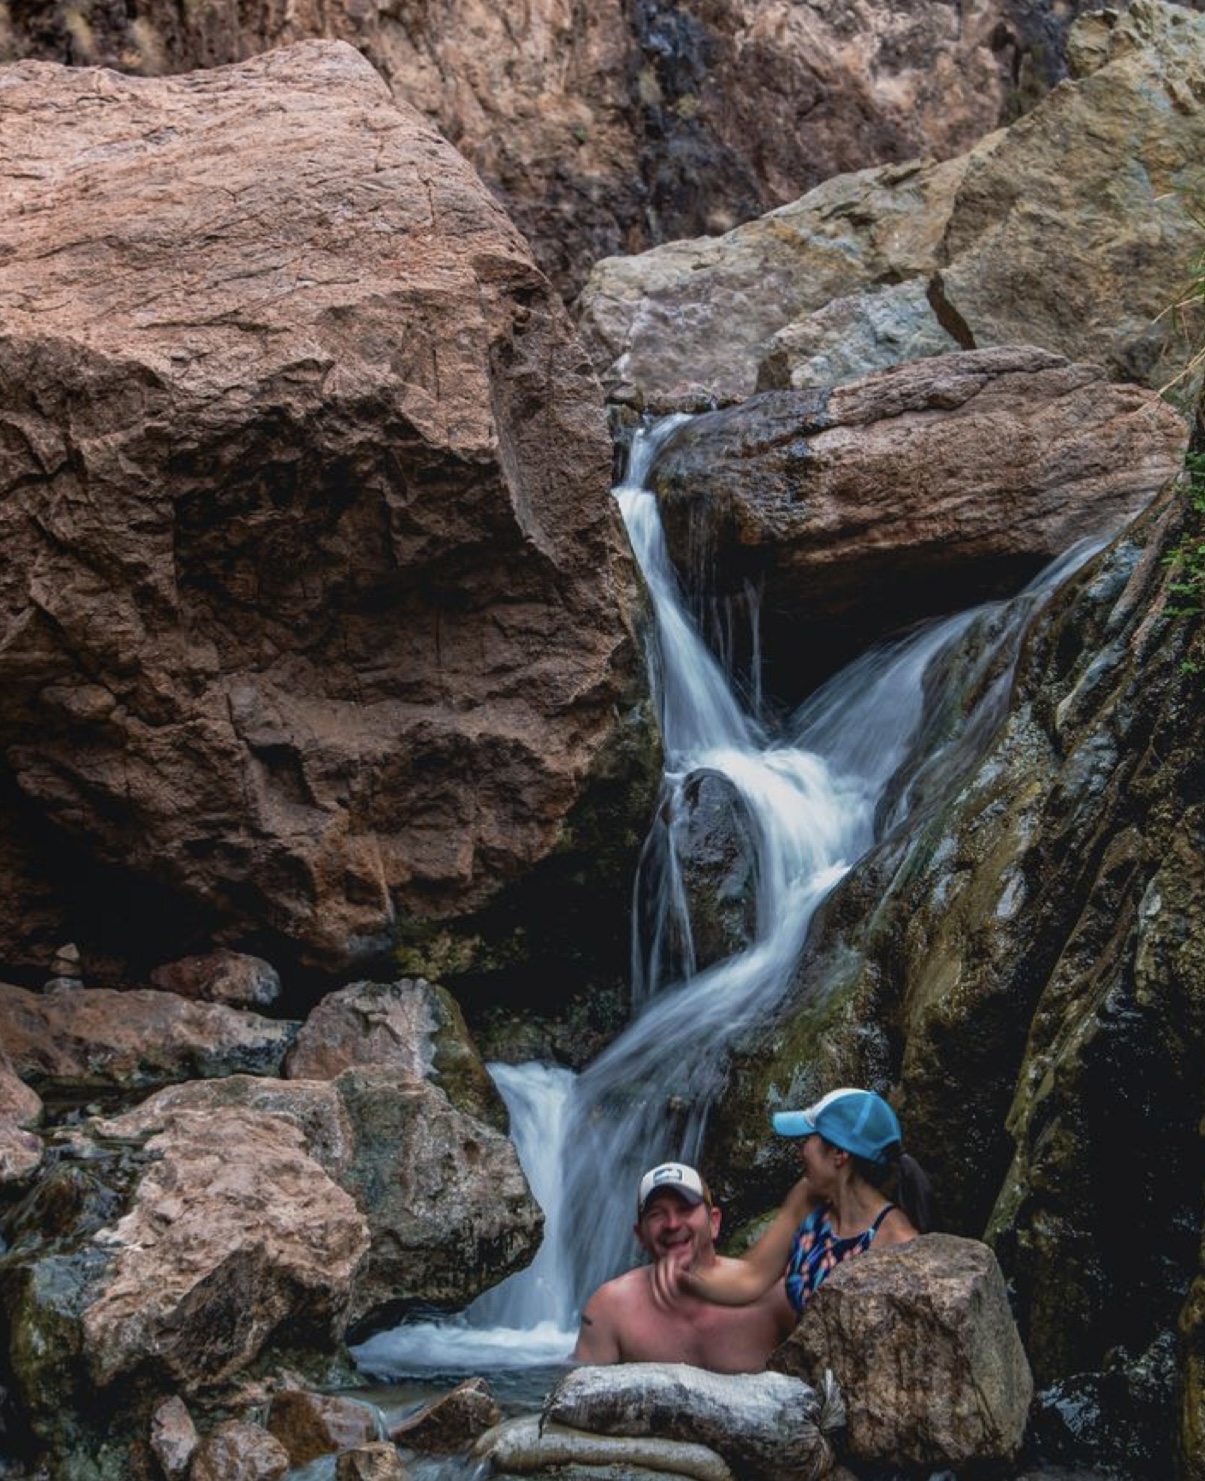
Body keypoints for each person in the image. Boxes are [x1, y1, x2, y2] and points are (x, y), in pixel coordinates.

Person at [652, 1087, 935, 1317]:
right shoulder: (808, 1196)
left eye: (809, 1138)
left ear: (839, 1155)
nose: (801, 1149)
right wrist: (684, 1276)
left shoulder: (897, 1246)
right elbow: (751, 1277)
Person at [572, 1161, 797, 1370]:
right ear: (640, 1235)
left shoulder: (773, 1295)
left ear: (714, 1222)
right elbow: (573, 1403)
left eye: (685, 1209)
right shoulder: (610, 1310)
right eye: (657, 1214)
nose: (672, 1224)